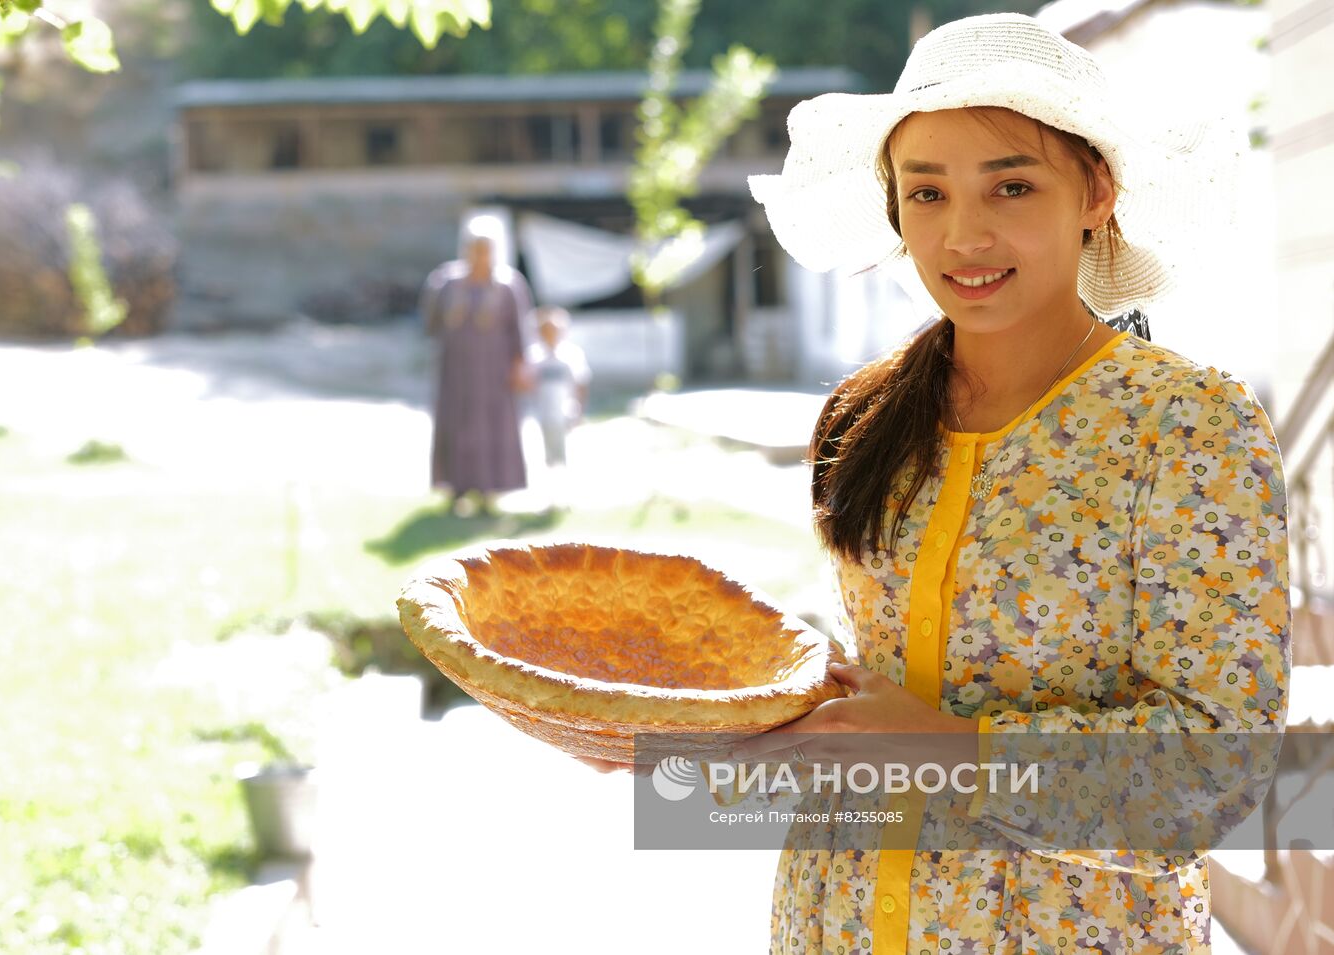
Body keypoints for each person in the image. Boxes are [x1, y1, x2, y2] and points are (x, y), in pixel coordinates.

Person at [588, 14, 1291, 954]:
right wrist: (746, 720)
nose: (963, 235)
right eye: (926, 192)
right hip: (832, 920)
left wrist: (942, 752)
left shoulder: (1190, 426)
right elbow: (879, 683)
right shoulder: (867, 415)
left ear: (1096, 192)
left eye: (1011, 185)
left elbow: (1215, 773)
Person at [420, 217, 535, 516]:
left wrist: (520, 366)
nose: (480, 255)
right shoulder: (445, 282)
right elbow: (429, 325)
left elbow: (520, 331)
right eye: (475, 248)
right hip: (456, 371)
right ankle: (457, 488)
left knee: (491, 427)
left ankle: (490, 490)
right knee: (457, 423)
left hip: (494, 373)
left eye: (486, 249)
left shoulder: (509, 285)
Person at [526, 306, 590, 473]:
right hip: (540, 410)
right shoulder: (533, 356)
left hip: (565, 408)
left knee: (566, 446)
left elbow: (581, 382)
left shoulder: (571, 355)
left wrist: (580, 410)